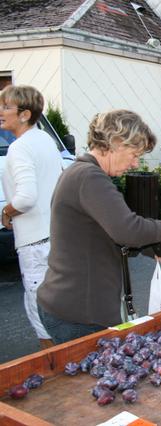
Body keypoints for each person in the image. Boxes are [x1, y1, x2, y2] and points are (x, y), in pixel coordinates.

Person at [36, 110, 161, 344]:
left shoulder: (83, 173)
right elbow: (128, 230)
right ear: (115, 143)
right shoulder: (90, 178)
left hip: (71, 306)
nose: (136, 162)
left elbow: (104, 234)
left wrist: (150, 248)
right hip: (79, 314)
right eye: (134, 154)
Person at [0, 85, 61, 349]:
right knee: (56, 306)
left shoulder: (19, 148)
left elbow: (26, 198)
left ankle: (54, 371)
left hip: (34, 241)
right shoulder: (45, 140)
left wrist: (6, 211)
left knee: (39, 309)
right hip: (55, 234)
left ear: (25, 114)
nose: (0, 112)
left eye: (6, 107)